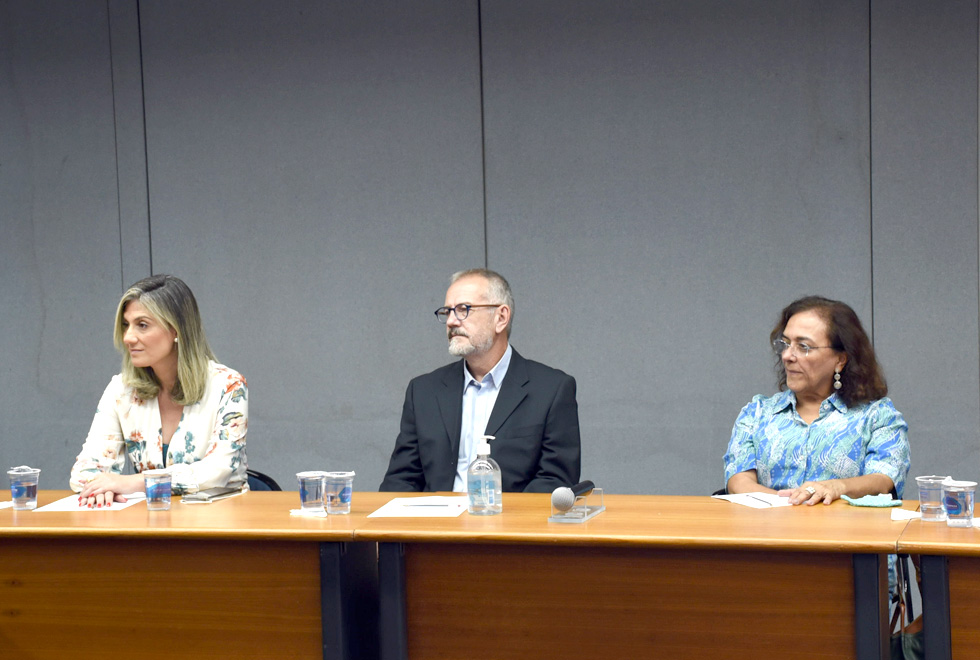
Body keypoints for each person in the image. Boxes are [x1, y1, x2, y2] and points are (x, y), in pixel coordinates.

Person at [380, 268, 581, 493]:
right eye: (448, 312)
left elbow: (554, 481)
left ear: (501, 317)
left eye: (463, 310)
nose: (451, 322)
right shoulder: (424, 391)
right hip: (438, 525)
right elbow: (401, 480)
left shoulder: (551, 389)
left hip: (508, 524)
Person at [70, 275, 248, 507]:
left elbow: (218, 471)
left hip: (221, 524)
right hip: (151, 525)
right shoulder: (122, 390)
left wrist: (130, 483)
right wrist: (101, 488)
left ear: (176, 329)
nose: (128, 337)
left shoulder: (228, 386)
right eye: (126, 325)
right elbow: (84, 471)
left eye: (142, 325)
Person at [724, 295, 909, 504]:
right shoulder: (757, 413)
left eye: (803, 346)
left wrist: (838, 487)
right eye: (785, 343)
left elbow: (883, 479)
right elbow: (739, 480)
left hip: (846, 534)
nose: (787, 355)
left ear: (840, 359)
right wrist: (791, 503)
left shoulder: (877, 416)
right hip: (769, 531)